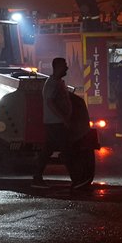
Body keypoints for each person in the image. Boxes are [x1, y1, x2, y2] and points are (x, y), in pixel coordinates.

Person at [34, 57, 73, 187]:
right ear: (57, 67)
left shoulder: (58, 82)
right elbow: (50, 102)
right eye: (64, 65)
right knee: (66, 149)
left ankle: (37, 177)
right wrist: (63, 118)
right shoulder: (52, 84)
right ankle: (77, 179)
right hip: (55, 122)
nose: (66, 67)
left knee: (47, 150)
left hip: (55, 122)